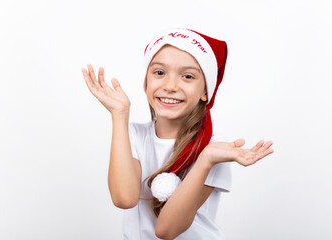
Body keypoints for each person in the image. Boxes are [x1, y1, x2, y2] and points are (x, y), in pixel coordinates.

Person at [81, 28, 274, 240]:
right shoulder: (133, 135)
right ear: (146, 82)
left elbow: (167, 230)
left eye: (188, 76)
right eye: (159, 72)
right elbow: (124, 199)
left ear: (205, 91)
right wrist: (119, 114)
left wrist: (205, 161)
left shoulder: (215, 148)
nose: (170, 86)